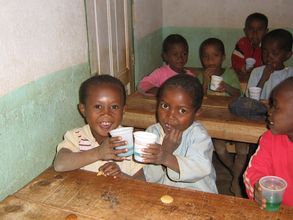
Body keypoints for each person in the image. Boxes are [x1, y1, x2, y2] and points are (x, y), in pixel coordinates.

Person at [140, 74, 218, 193]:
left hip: (197, 195)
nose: (170, 116)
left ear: (197, 112)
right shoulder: (152, 133)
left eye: (182, 110)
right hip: (161, 193)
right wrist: (164, 152)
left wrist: (166, 157)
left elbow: (200, 168)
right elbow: (149, 176)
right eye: (165, 106)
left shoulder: (198, 135)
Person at [54, 75, 143, 178]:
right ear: (83, 110)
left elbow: (141, 182)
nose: (106, 113)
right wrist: (99, 152)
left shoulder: (129, 142)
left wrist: (121, 176)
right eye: (98, 106)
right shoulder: (76, 137)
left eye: (114, 107)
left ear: (123, 110)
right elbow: (59, 164)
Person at [197, 38, 247, 197]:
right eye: (206, 57)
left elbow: (238, 94)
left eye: (215, 55)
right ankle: (237, 175)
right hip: (215, 121)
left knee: (243, 149)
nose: (210, 60)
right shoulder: (201, 75)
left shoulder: (230, 73)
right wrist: (205, 80)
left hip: (235, 118)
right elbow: (199, 98)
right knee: (219, 148)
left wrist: (226, 86)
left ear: (223, 57)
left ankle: (235, 180)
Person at [243, 77, 293, 207]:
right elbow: (253, 172)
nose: (269, 112)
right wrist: (258, 189)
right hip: (275, 210)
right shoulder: (269, 139)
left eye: (275, 107)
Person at [246, 29, 293, 100]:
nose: (268, 57)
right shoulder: (256, 72)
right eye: (264, 52)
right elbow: (250, 100)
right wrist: (263, 79)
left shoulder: (290, 74)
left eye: (275, 53)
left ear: (287, 55)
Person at [231, 12, 268, 79]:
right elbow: (235, 59)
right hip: (243, 72)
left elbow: (268, 62)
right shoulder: (242, 43)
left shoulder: (267, 46)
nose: (255, 33)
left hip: (260, 74)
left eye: (259, 29)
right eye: (251, 29)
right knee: (231, 73)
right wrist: (242, 67)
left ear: (266, 31)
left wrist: (255, 70)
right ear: (245, 31)